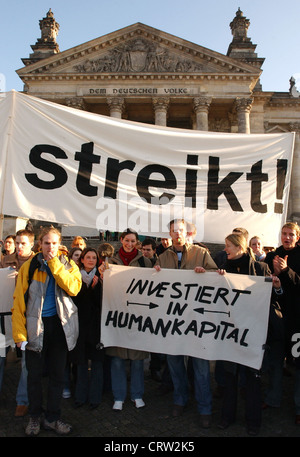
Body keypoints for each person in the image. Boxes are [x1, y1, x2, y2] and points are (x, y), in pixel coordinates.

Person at [11, 226, 81, 436]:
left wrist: (54, 264)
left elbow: (74, 288)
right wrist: (19, 335)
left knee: (57, 376)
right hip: (35, 328)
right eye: (46, 243)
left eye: (54, 243)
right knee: (33, 377)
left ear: (60, 245)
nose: (50, 247)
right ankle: (34, 417)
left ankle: (52, 417)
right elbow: (19, 303)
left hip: (59, 328)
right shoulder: (29, 267)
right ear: (39, 244)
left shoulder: (68, 264)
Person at [154, 218, 217, 428]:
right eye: (174, 231)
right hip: (173, 320)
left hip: (197, 320)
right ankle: (179, 399)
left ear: (187, 232)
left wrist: (205, 273)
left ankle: (204, 408)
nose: (178, 234)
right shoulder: (162, 257)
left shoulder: (201, 253)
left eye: (181, 230)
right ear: (170, 234)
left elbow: (215, 279)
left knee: (200, 367)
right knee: (175, 363)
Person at [216, 233, 271, 435]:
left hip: (253, 333)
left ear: (239, 247)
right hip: (230, 332)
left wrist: (276, 286)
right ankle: (226, 417)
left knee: (252, 380)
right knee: (230, 377)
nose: (225, 249)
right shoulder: (223, 268)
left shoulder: (260, 269)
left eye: (228, 245)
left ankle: (253, 421)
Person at [100, 228, 152, 411]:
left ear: (137, 243)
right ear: (121, 240)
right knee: (117, 360)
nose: (129, 244)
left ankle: (137, 394)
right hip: (118, 316)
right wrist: (101, 276)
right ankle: (119, 396)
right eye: (127, 240)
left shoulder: (146, 262)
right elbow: (104, 288)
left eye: (133, 241)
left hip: (138, 316)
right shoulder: (110, 262)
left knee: (138, 360)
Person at [264, 222, 300, 424]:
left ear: (297, 237)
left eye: (291, 234)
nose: (287, 237)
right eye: (284, 234)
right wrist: (274, 279)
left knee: (298, 364)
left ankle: (298, 406)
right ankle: (272, 398)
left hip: (297, 322)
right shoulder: (271, 256)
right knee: (275, 362)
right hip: (277, 319)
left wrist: (286, 272)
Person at [0, 229, 35, 417]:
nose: (19, 247)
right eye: (17, 243)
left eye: (23, 243)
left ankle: (22, 400)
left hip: (26, 317)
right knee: (0, 357)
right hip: (4, 315)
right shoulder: (4, 261)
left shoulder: (37, 262)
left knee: (26, 363)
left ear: (31, 243)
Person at [71, 248, 104, 409]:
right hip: (80, 325)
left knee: (97, 363)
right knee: (81, 363)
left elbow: (102, 303)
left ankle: (95, 397)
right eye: (88, 257)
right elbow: (74, 301)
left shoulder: (102, 277)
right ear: (82, 260)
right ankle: (80, 396)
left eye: (94, 257)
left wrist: (96, 288)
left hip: (97, 326)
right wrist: (88, 288)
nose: (91, 260)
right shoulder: (74, 276)